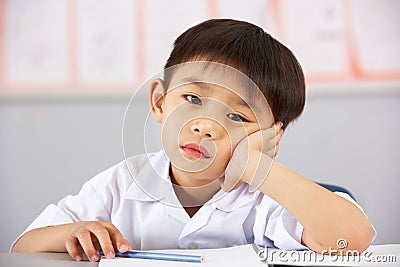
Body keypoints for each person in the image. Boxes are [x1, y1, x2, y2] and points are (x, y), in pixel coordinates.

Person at [11, 19, 374, 262]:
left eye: (237, 116)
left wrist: (259, 169)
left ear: (269, 136)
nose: (205, 125)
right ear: (158, 102)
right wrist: (72, 233)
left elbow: (351, 241)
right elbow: (23, 248)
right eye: (193, 99)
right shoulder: (121, 185)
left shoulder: (263, 201)